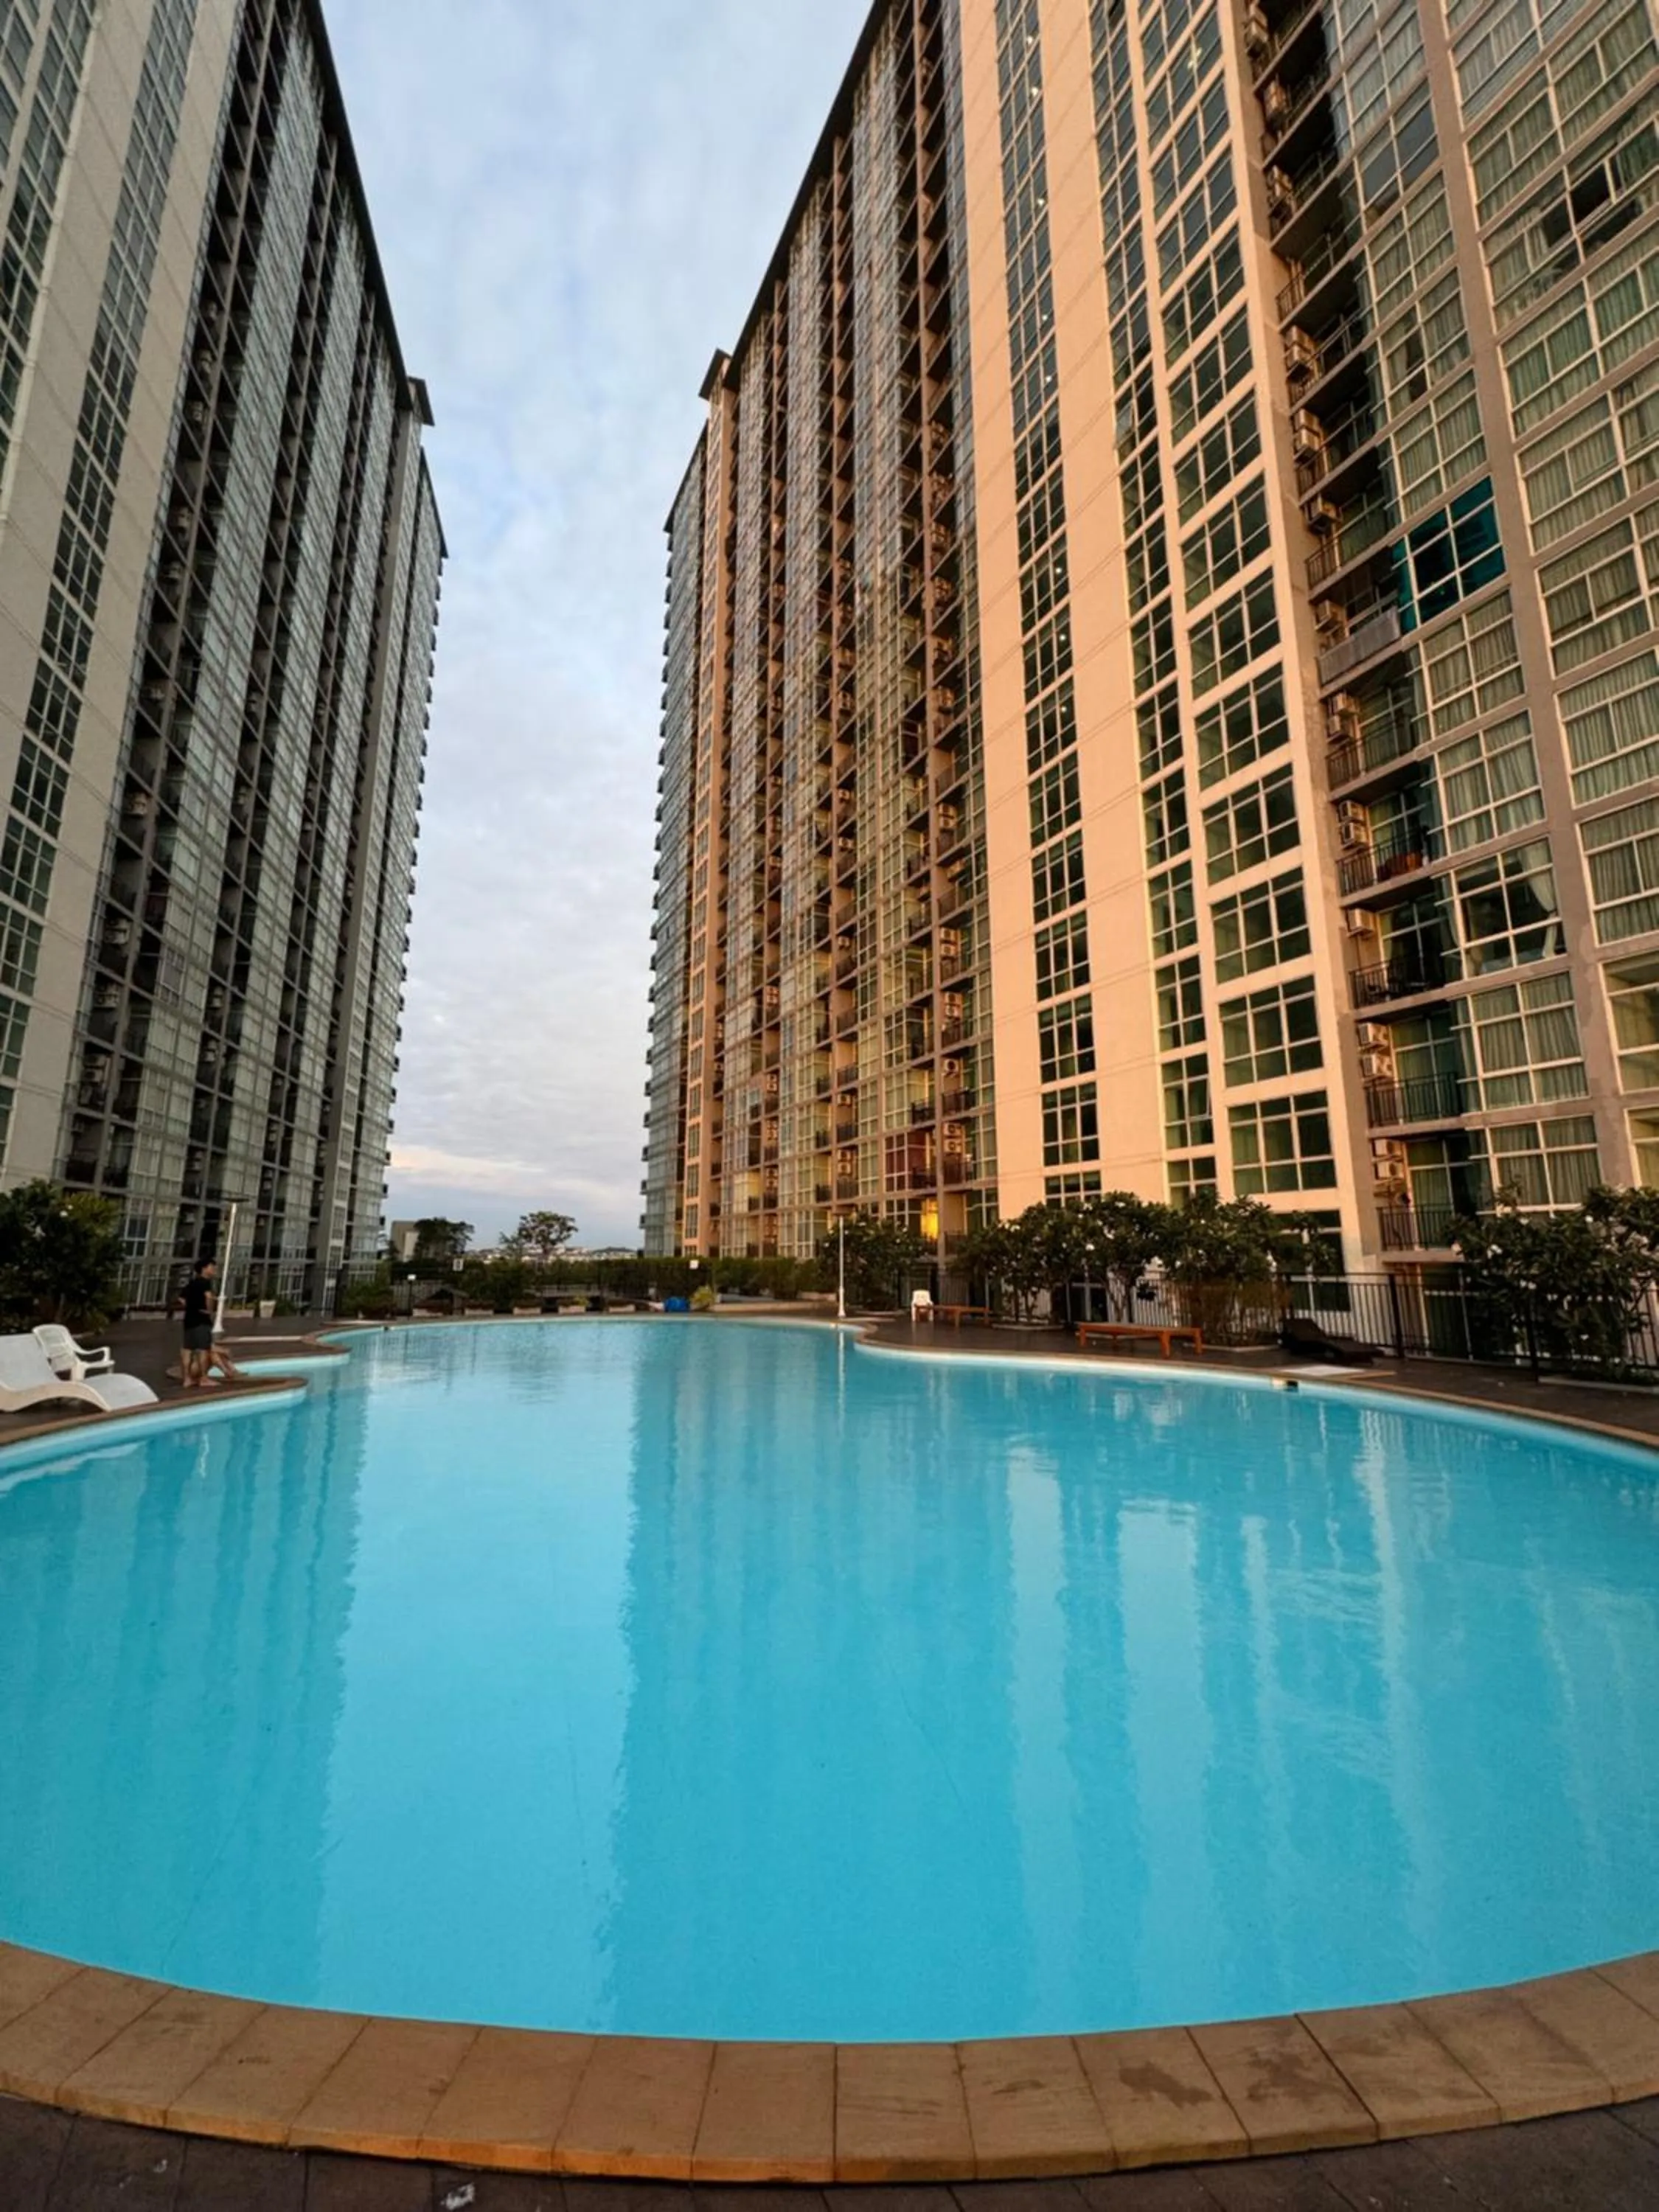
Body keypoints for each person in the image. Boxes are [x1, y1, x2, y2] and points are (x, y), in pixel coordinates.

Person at [180, 1259, 217, 1389]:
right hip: (202, 1319)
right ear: (204, 1269)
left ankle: (187, 1379)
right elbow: (209, 1297)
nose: (214, 1269)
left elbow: (181, 1298)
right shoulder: (205, 1282)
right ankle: (204, 1378)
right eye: (212, 1267)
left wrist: (191, 1307)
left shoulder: (192, 1283)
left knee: (187, 1349)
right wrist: (209, 1311)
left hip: (189, 1319)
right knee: (203, 1349)